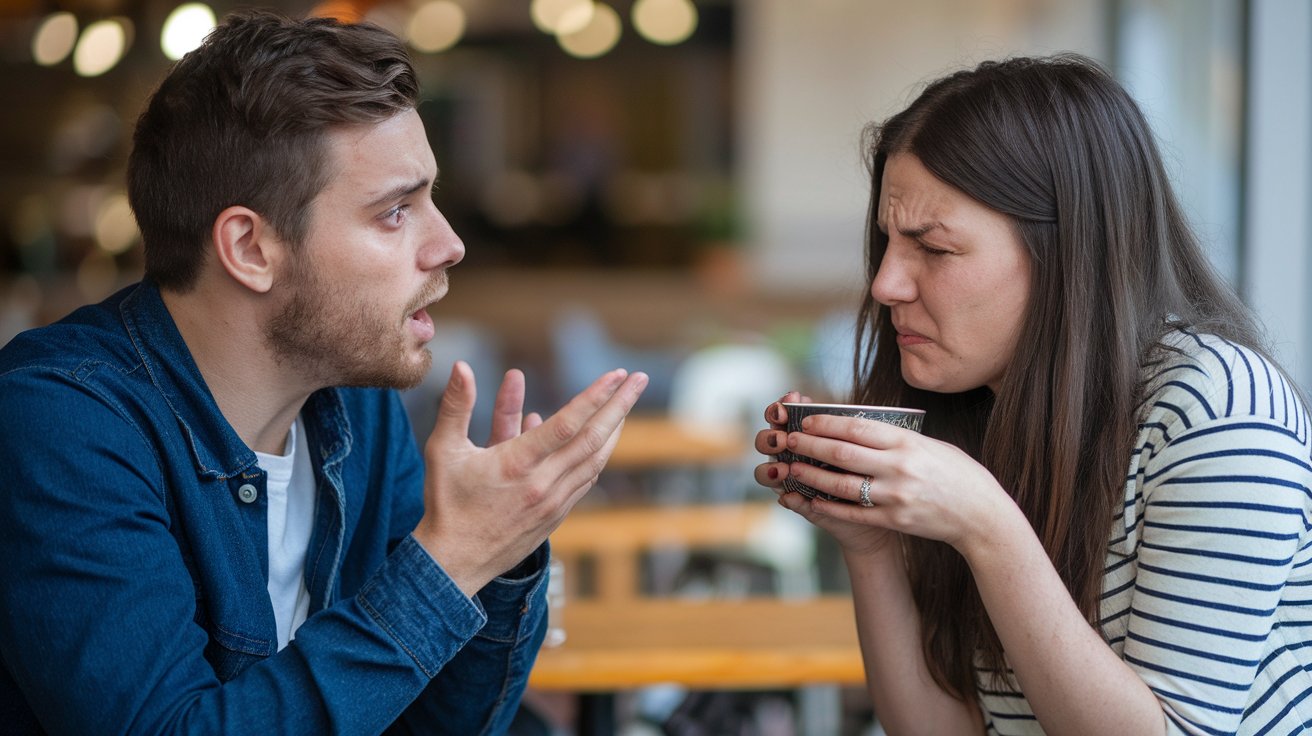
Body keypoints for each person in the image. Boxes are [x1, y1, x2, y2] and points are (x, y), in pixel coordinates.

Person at [0, 10, 647, 734]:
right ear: (250, 248)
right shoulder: (58, 423)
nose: (451, 244)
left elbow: (434, 725)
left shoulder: (351, 405)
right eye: (396, 212)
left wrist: (497, 553)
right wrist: (450, 562)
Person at [755, 54, 1312, 735]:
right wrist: (870, 549)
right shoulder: (979, 404)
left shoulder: (1218, 409)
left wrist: (985, 525)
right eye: (887, 244)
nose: (885, 285)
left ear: (1067, 248)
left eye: (933, 249)